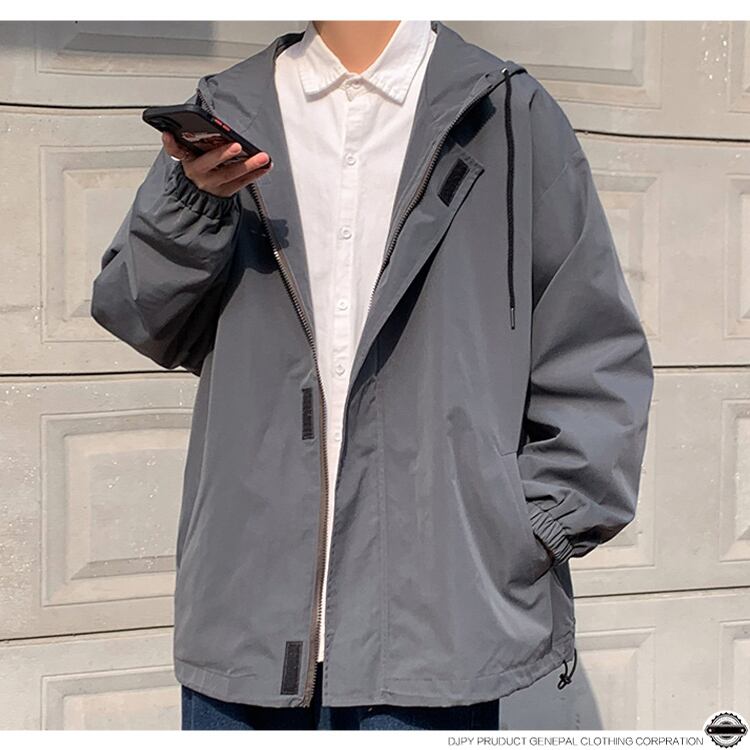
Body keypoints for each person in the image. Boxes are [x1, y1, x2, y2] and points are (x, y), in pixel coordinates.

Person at [91, 20, 654, 731]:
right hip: (246, 603)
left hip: (435, 612)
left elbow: (594, 348)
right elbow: (140, 316)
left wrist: (531, 528)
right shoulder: (229, 106)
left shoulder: (503, 111)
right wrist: (196, 205)